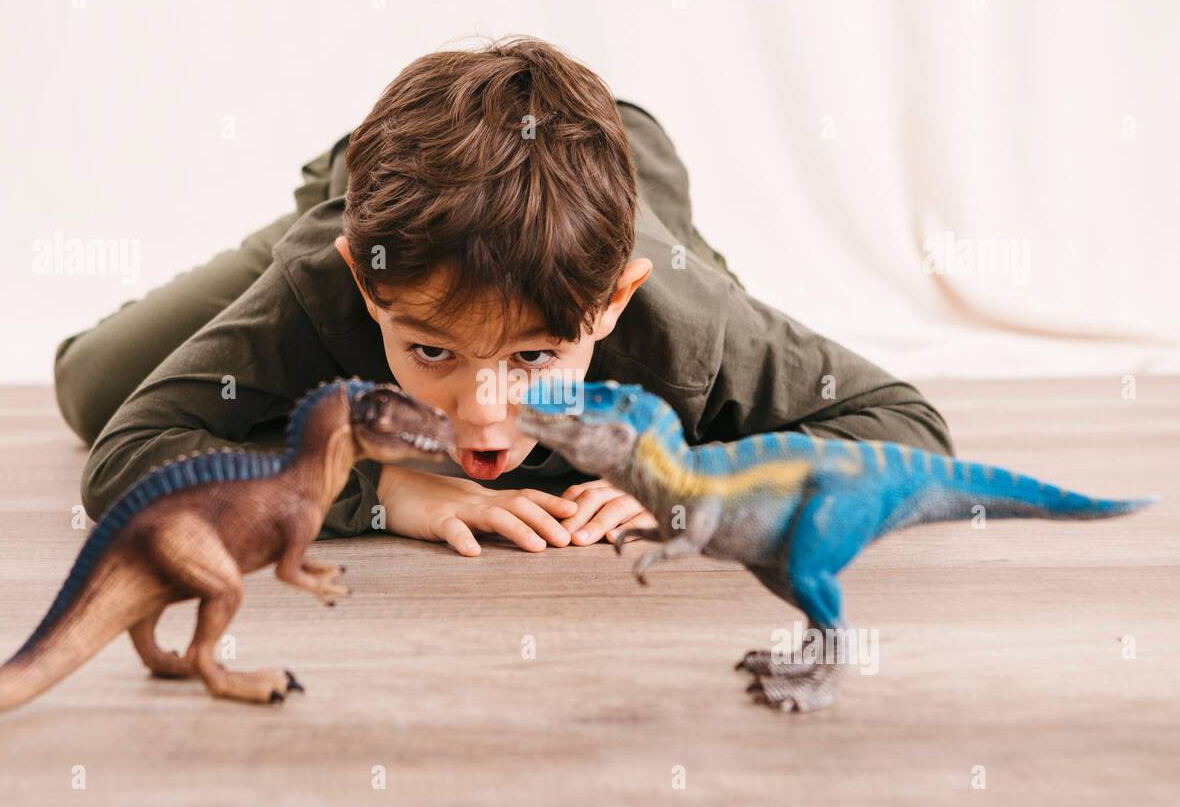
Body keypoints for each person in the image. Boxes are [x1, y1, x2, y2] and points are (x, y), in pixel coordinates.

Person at [55, 36, 952, 557]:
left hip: (634, 179)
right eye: (432, 352)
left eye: (535, 358)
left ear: (608, 308)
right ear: (370, 291)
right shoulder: (332, 281)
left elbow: (905, 424)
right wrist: (380, 491)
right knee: (95, 390)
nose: (484, 422)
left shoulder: (683, 322)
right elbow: (128, 454)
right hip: (358, 191)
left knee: (725, 393)